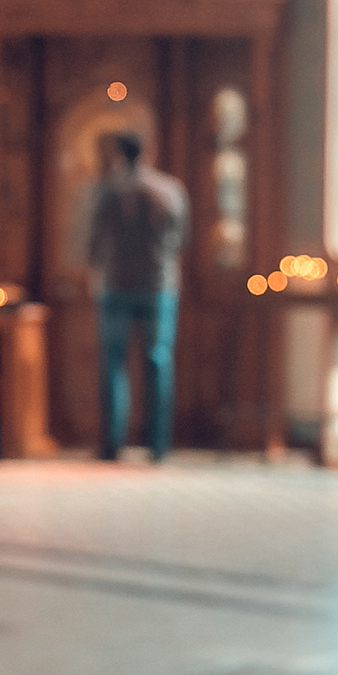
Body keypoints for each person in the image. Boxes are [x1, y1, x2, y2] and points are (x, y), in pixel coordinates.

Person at [84, 128, 189, 461]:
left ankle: (113, 444)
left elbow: (95, 241)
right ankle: (158, 446)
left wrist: (95, 272)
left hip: (116, 285)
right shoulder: (170, 189)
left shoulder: (110, 190)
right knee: (158, 361)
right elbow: (182, 238)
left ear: (118, 153)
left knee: (114, 363)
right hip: (159, 286)